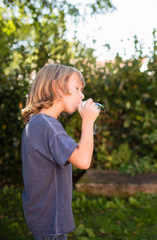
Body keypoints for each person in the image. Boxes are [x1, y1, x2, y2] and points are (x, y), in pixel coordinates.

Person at [21, 64, 100, 239]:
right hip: (51, 220)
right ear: (56, 87)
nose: (82, 95)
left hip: (41, 216)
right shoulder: (48, 126)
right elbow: (84, 160)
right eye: (77, 88)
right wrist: (87, 122)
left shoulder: (37, 123)